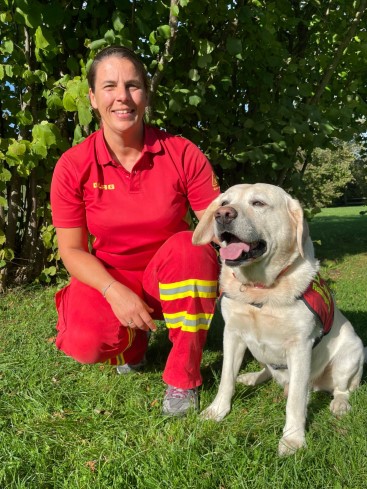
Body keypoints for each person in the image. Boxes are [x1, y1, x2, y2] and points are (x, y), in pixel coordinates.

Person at [50, 45, 220, 416]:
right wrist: (114, 292)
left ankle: (183, 376)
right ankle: (133, 343)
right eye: (109, 86)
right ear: (93, 98)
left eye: (133, 85)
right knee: (85, 341)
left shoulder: (181, 152)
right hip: (114, 278)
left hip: (171, 275)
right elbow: (72, 251)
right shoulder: (72, 165)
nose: (122, 97)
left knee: (192, 246)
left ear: (146, 94)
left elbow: (215, 224)